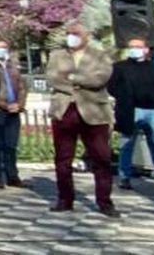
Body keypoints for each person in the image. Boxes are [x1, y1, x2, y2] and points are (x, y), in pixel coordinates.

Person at [45, 22, 118, 216]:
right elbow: (53, 78)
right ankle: (65, 199)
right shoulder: (56, 55)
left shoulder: (100, 56)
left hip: (93, 111)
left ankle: (105, 202)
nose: (71, 36)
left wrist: (72, 78)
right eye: (69, 33)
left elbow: (100, 79)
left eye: (75, 33)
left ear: (86, 36)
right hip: (64, 110)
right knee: (63, 159)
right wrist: (78, 80)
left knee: (101, 158)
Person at [110, 35, 154, 191]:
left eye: (138, 47)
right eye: (131, 47)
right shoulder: (120, 67)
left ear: (145, 49)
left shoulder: (153, 66)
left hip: (153, 110)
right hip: (130, 110)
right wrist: (123, 98)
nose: (134, 50)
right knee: (126, 145)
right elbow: (111, 87)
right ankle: (124, 177)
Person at [0, 37, 29, 189]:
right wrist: (5, 105)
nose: (0, 49)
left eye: (3, 46)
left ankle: (13, 175)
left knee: (11, 145)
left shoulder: (13, 66)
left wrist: (20, 104)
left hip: (14, 110)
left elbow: (23, 86)